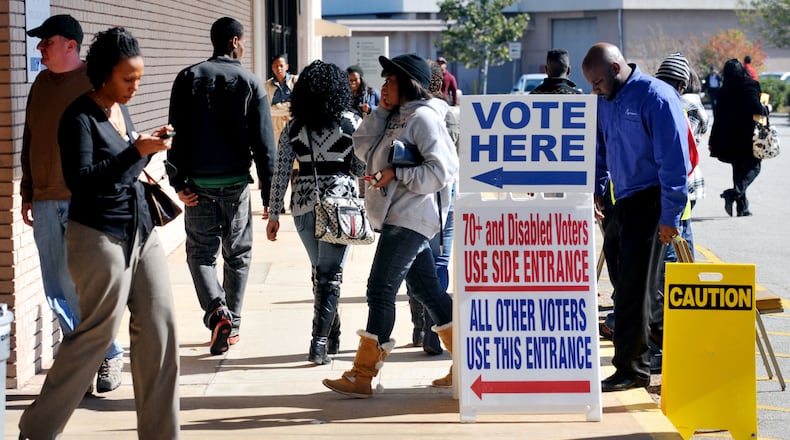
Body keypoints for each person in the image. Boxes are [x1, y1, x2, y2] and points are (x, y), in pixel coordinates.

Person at [19, 27, 180, 439]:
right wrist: (135, 150)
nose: (134, 87)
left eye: (139, 78)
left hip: (140, 231)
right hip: (98, 235)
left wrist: (148, 149)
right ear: (104, 74)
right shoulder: (78, 116)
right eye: (128, 79)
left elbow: (127, 172)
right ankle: (36, 428)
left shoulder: (119, 112)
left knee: (160, 328)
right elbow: (84, 181)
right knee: (96, 335)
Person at [323, 53, 459, 398]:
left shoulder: (425, 118)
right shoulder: (396, 116)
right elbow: (362, 148)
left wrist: (398, 174)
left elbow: (442, 171)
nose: (383, 85)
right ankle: (470, 364)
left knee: (379, 289)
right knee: (428, 292)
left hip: (411, 217)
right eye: (383, 80)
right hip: (395, 215)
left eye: (390, 80)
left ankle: (363, 375)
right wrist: (382, 111)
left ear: (408, 83)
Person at [21, 14, 126, 394]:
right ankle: (87, 358)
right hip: (47, 202)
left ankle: (107, 354)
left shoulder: (97, 83)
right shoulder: (40, 85)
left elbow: (120, 144)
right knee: (56, 288)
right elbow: (29, 140)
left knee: (87, 287)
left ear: (69, 45)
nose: (39, 49)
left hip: (87, 202)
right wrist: (27, 191)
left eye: (45, 42)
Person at [582, 43, 690, 392]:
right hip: (622, 198)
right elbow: (600, 144)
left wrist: (671, 215)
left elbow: (675, 160)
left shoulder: (656, 97)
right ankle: (671, 349)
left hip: (653, 198)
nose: (593, 90)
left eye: (597, 82)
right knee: (630, 283)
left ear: (616, 69)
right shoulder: (606, 100)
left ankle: (632, 368)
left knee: (632, 289)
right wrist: (598, 186)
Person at [168, 17, 276, 355]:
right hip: (236, 184)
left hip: (197, 185)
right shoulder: (250, 82)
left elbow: (175, 134)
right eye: (242, 41)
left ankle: (217, 312)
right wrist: (270, 194)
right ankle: (233, 323)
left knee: (200, 253)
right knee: (238, 254)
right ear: (233, 41)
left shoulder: (188, 78)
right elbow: (264, 144)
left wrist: (178, 181)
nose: (243, 46)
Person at [266, 60, 364, 365]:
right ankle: (318, 344)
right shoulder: (351, 122)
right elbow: (360, 167)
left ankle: (331, 335)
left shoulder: (295, 126)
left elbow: (281, 171)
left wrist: (273, 214)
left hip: (303, 206)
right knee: (330, 275)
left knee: (320, 273)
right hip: (340, 204)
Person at [406, 60, 460, 355]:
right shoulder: (451, 116)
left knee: (414, 260)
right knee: (438, 263)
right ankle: (432, 331)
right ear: (441, 85)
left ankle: (420, 325)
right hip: (445, 196)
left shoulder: (409, 115)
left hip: (415, 196)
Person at [709, 58, 766, 217]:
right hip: (747, 136)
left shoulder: (723, 91)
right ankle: (735, 193)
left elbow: (717, 118)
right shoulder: (749, 86)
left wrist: (713, 140)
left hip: (728, 137)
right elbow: (756, 109)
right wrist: (765, 108)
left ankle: (743, 208)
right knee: (754, 167)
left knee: (738, 169)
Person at [265, 54, 299, 147]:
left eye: (281, 65)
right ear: (272, 67)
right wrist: (288, 108)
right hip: (275, 131)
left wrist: (276, 107)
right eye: (276, 66)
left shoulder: (295, 81)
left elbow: (299, 105)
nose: (278, 68)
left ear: (287, 66)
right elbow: (267, 110)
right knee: (278, 159)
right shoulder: (267, 85)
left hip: (295, 129)